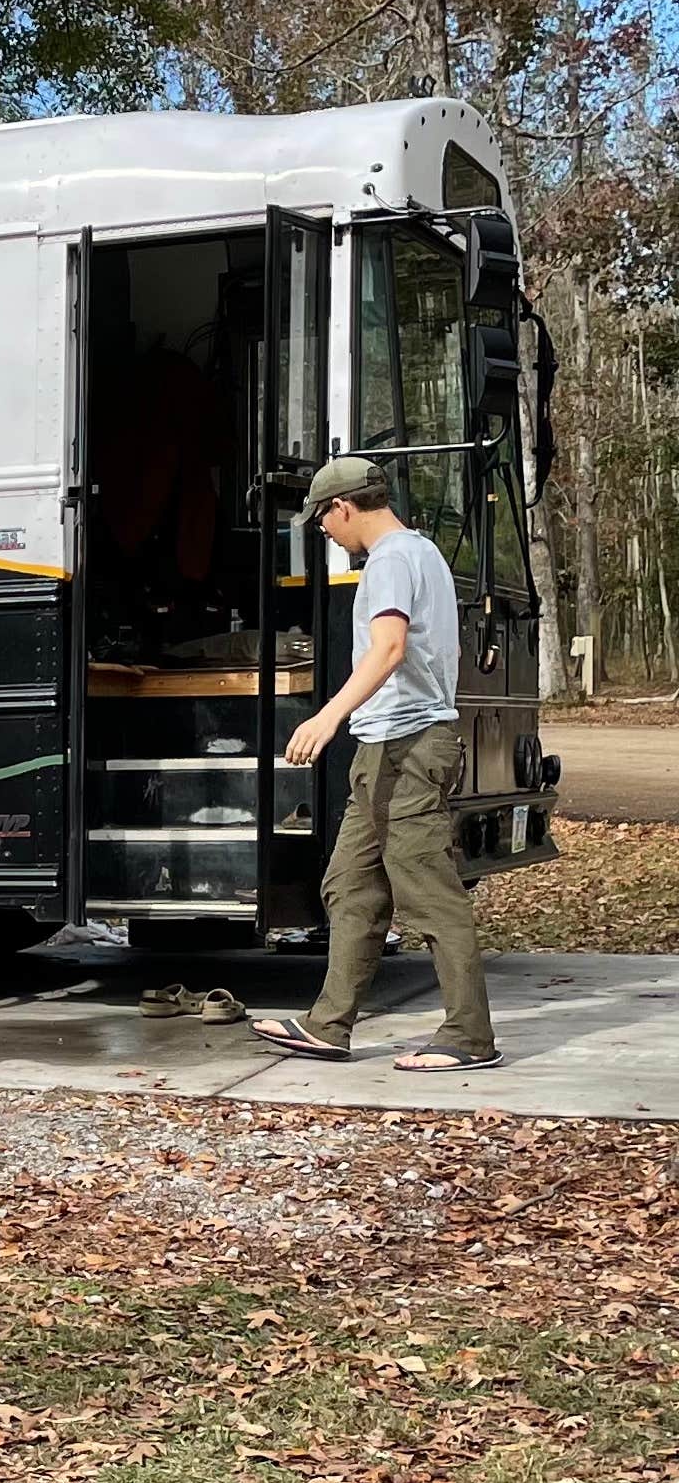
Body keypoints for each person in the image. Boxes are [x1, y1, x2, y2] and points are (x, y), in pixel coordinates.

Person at [251, 458, 497, 1071]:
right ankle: (327, 1025)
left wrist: (326, 716)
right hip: (390, 747)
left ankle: (469, 1038)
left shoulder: (388, 560)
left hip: (408, 747)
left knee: (429, 893)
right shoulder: (424, 552)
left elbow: (388, 648)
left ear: (343, 507)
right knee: (351, 885)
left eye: (324, 522)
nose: (327, 534)